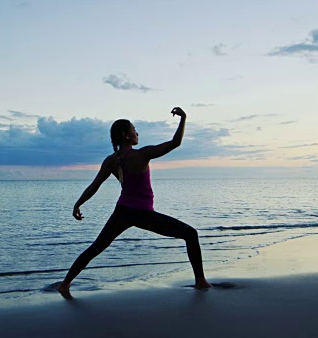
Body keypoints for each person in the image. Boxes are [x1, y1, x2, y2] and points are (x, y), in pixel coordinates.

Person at [56, 107, 211, 298]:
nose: (137, 133)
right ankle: (200, 281)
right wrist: (183, 118)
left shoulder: (111, 160)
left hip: (122, 212)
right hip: (142, 214)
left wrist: (78, 204)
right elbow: (175, 143)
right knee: (191, 234)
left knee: (96, 247)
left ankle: (65, 284)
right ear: (125, 135)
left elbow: (94, 185)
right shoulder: (141, 155)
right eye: (134, 130)